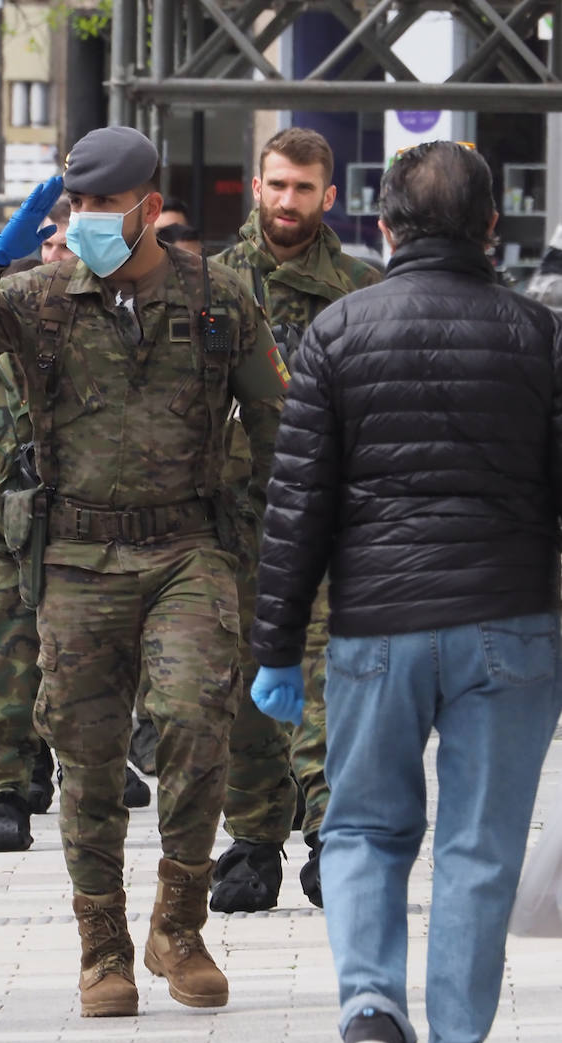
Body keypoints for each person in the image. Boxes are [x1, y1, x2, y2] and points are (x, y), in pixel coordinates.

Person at [0, 126, 287, 1018]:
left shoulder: (218, 297)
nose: (82, 222)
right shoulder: (36, 298)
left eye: (100, 207)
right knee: (87, 757)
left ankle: (181, 924)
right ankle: (103, 946)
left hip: (188, 550)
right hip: (76, 558)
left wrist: (277, 558)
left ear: (149, 208)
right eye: (72, 206)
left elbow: (278, 432)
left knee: (198, 720)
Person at [251, 139, 562, 1043]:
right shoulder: (540, 337)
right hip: (510, 625)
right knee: (480, 847)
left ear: (381, 226)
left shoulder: (337, 332)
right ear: (492, 230)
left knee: (364, 829)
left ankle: (373, 1013)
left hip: (378, 627)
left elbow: (296, 505)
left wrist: (274, 647)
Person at [0, 251, 151, 854]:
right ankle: (6, 794)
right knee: (0, 676)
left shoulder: (97, 369)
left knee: (91, 669)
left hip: (80, 544)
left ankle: (89, 766)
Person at [205, 126, 381, 913]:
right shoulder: (208, 286)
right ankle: (251, 841)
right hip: (233, 521)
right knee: (244, 682)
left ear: (328, 196)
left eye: (303, 188)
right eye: (276, 184)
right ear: (256, 185)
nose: (287, 201)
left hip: (332, 521)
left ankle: (330, 834)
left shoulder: (360, 290)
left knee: (322, 680)